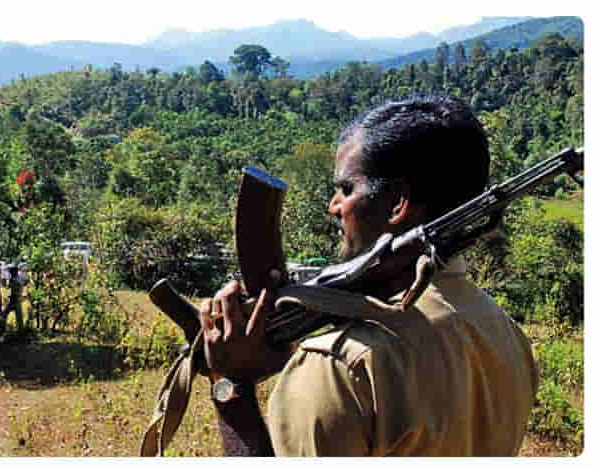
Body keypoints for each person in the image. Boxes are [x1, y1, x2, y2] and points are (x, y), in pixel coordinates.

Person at [197, 94, 538, 456]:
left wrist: (231, 386)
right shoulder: (505, 331)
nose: (334, 206)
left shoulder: (340, 365)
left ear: (397, 204)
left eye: (346, 189)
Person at [0, 265, 24, 334]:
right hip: (14, 300)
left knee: (17, 317)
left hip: (15, 300)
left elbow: (13, 288)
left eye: (11, 272)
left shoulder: (16, 279)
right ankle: (3, 329)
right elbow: (9, 288)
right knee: (6, 315)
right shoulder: (15, 278)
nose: (10, 273)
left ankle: (20, 331)